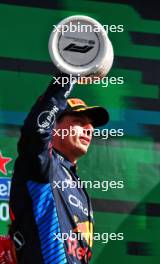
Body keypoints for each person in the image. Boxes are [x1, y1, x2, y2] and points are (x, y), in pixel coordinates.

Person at [9, 72, 109, 264]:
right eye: (79, 123)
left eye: (90, 126)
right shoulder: (43, 165)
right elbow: (36, 131)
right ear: (54, 128)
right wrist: (68, 74)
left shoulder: (78, 186)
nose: (89, 129)